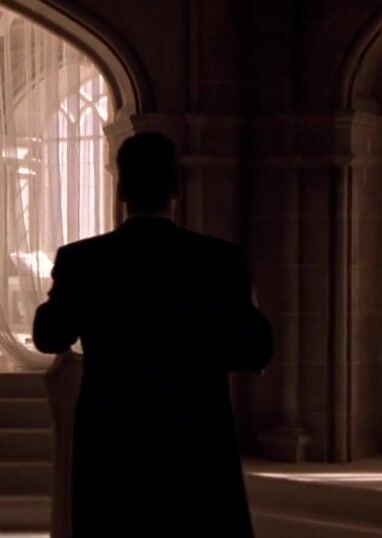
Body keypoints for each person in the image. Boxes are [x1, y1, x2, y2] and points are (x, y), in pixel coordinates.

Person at [33, 132, 273, 536]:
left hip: (114, 436)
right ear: (176, 188)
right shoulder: (219, 259)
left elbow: (49, 336)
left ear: (121, 188)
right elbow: (254, 351)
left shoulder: (82, 259)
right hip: (195, 434)